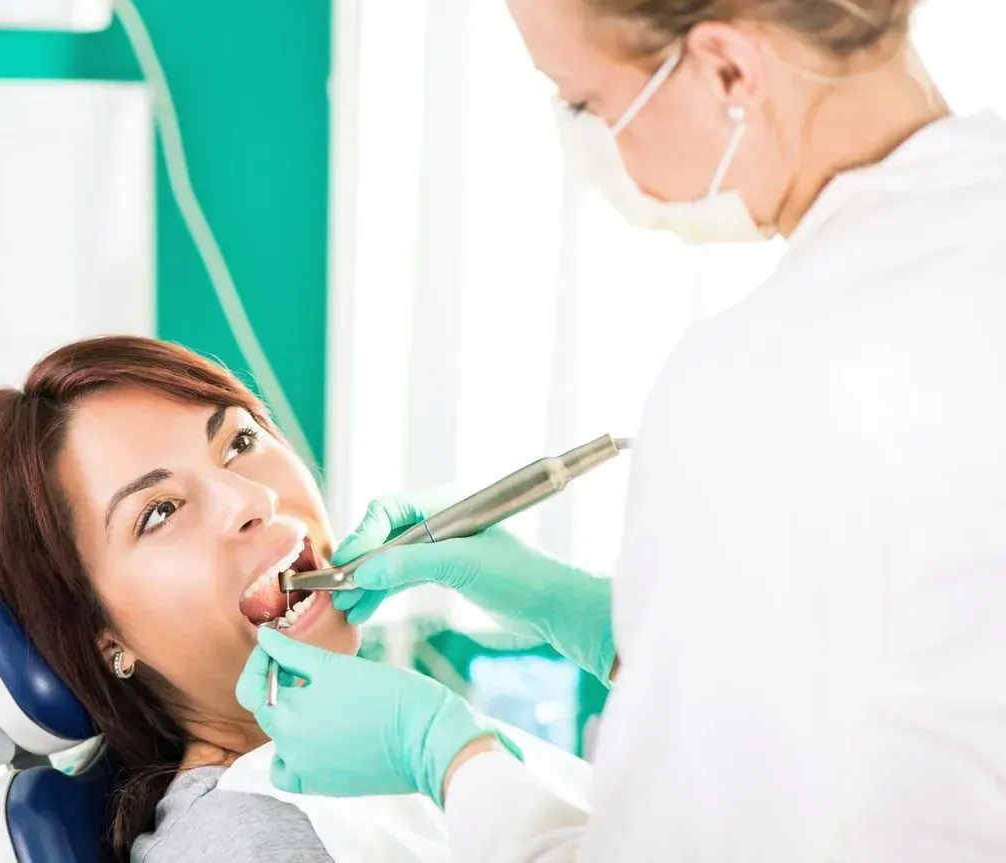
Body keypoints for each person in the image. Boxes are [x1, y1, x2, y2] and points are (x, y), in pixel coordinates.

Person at [237, 0, 1006, 860]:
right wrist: (614, 627)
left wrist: (449, 755)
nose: (584, 143)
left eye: (584, 103)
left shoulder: (774, 371)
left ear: (727, 70)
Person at [0, 336, 362, 862]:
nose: (255, 499)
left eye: (238, 443)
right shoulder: (246, 841)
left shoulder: (362, 760)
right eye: (160, 511)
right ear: (104, 637)